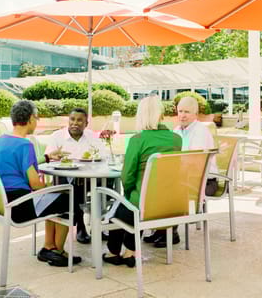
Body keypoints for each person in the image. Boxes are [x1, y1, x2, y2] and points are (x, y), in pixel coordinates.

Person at [0, 100, 81, 267]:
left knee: (56, 199)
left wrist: (47, 158)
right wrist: (51, 188)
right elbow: (35, 183)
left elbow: (16, 164)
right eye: (37, 117)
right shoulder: (25, 145)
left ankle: (49, 246)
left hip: (4, 200)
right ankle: (57, 251)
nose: (37, 121)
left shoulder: (1, 140)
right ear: (31, 119)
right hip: (21, 206)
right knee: (70, 198)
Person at [103, 96, 182, 267]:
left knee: (119, 208)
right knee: (132, 204)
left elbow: (127, 176)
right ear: (161, 115)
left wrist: (130, 192)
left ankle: (113, 251)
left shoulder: (137, 140)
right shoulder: (177, 139)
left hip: (144, 205)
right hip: (170, 205)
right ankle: (130, 252)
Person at [144, 96, 218, 248]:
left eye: (187, 112)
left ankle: (171, 233)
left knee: (170, 187)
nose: (182, 115)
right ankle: (160, 229)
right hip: (184, 176)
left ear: (196, 114)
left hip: (205, 180)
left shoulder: (200, 131)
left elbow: (195, 161)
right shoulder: (177, 131)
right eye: (180, 111)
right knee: (157, 184)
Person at [44, 108, 108, 244]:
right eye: (72, 119)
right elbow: (49, 159)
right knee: (76, 185)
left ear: (86, 123)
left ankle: (99, 224)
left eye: (80, 120)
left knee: (107, 183)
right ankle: (81, 226)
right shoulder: (57, 136)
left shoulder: (91, 136)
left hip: (89, 176)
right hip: (64, 178)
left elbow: (103, 155)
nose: (75, 123)